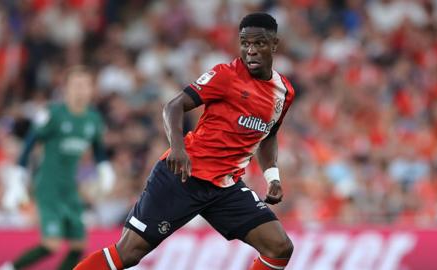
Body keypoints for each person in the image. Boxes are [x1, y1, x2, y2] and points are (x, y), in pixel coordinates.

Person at [74, 12, 295, 270]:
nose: (251, 50)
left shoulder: (284, 92)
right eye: (245, 43)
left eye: (259, 43)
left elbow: (268, 135)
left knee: (279, 247)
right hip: (182, 175)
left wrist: (273, 177)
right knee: (128, 253)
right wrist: (177, 148)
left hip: (225, 186)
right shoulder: (226, 75)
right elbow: (173, 106)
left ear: (275, 44)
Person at [0, 66, 115, 270]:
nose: (81, 90)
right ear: (66, 88)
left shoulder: (93, 119)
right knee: (52, 244)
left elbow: (98, 149)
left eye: (86, 85)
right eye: (77, 85)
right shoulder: (53, 114)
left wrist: (105, 170)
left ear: (92, 89)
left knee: (79, 245)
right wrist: (18, 180)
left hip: (70, 188)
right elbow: (29, 144)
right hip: (48, 186)